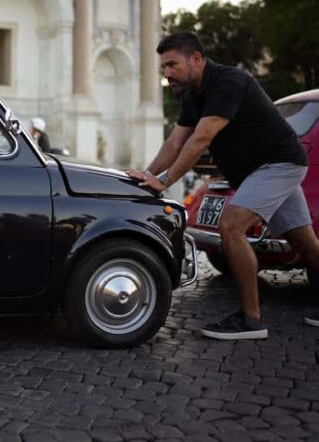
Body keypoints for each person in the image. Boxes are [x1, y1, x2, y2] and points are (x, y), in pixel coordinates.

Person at [126, 31, 319, 339]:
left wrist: (164, 181)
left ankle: (251, 320)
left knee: (231, 227)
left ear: (197, 59)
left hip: (278, 164)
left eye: (172, 65)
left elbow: (200, 139)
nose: (167, 73)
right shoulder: (193, 96)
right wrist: (147, 175)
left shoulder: (228, 83)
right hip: (260, 170)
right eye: (163, 68)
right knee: (305, 243)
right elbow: (176, 141)